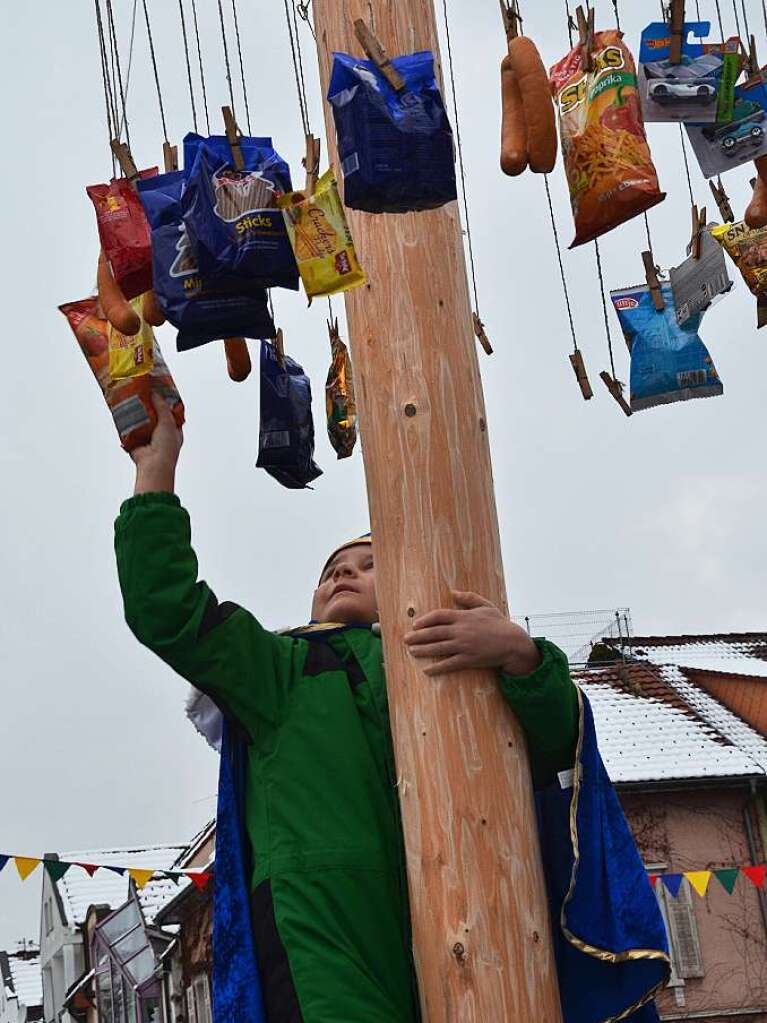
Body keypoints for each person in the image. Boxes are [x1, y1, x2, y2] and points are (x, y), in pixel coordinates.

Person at [115, 396, 670, 1023]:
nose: (344, 575)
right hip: (326, 922)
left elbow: (558, 756)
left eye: (369, 564)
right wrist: (154, 473)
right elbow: (167, 612)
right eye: (332, 571)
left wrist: (518, 654)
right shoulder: (280, 668)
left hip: (474, 901)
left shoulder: (458, 645)